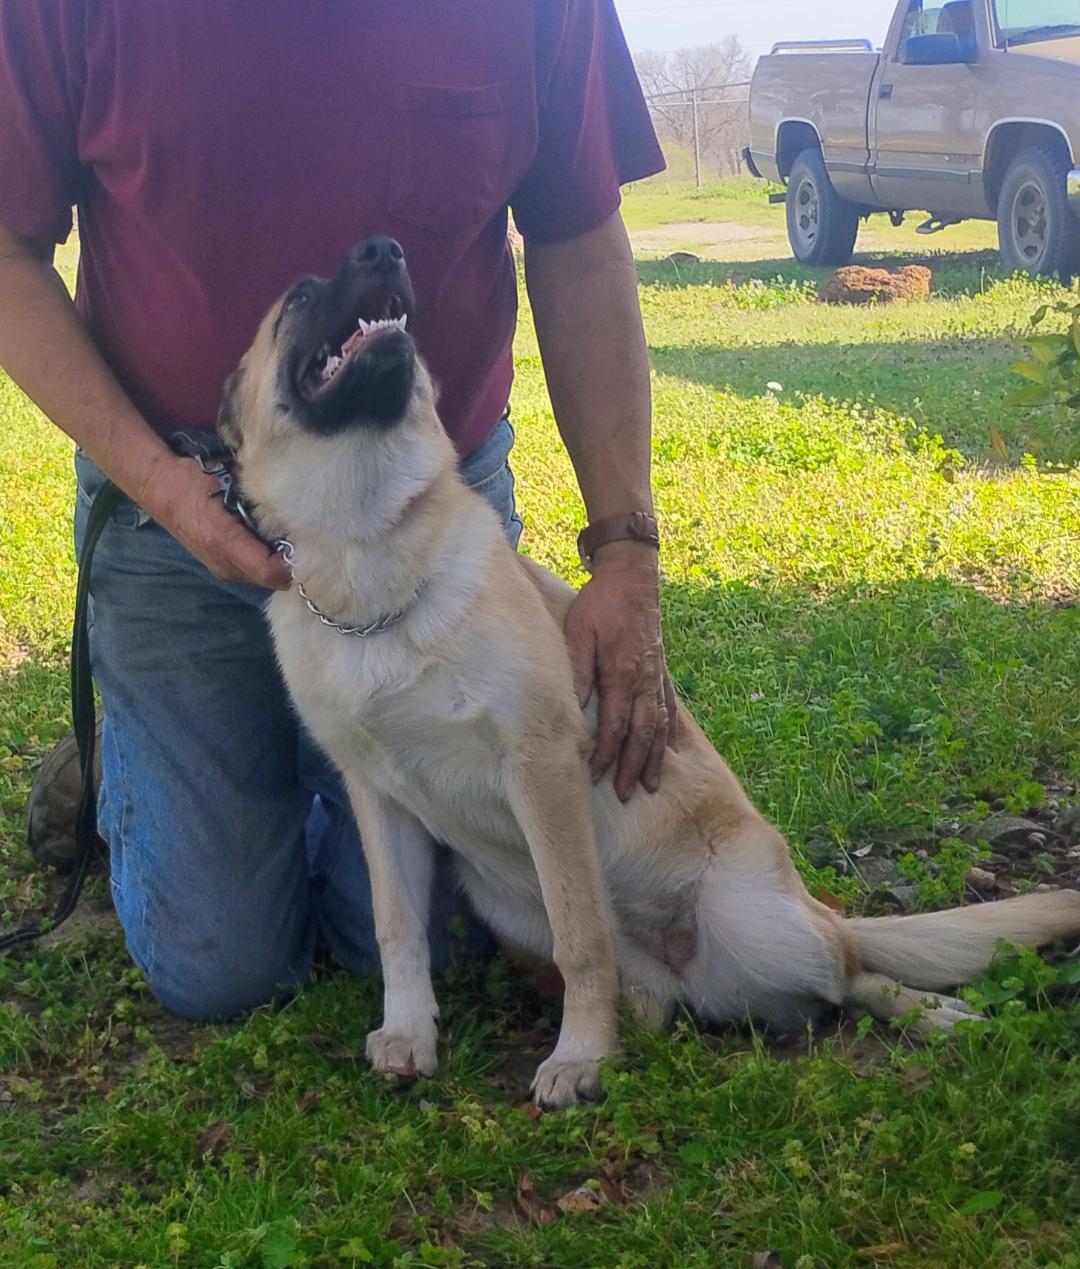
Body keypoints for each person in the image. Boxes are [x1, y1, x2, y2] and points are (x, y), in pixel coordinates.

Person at [0, 1, 675, 1020]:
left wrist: (625, 552)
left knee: (440, 947)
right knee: (219, 968)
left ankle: (285, 762)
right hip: (170, 500)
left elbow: (580, 236)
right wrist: (163, 487)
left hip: (427, 514)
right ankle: (163, 761)